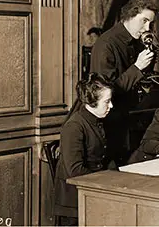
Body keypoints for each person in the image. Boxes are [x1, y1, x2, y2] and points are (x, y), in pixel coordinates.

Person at [90, 0, 159, 164]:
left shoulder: (135, 43)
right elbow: (105, 90)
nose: (147, 28)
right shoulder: (106, 44)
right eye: (144, 21)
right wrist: (137, 67)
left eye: (150, 23)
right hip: (108, 121)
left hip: (126, 118)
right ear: (129, 16)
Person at [54, 73, 115, 226]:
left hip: (93, 190)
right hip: (74, 201)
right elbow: (75, 171)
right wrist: (108, 179)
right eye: (107, 101)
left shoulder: (98, 120)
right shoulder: (74, 126)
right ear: (91, 102)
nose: (111, 106)